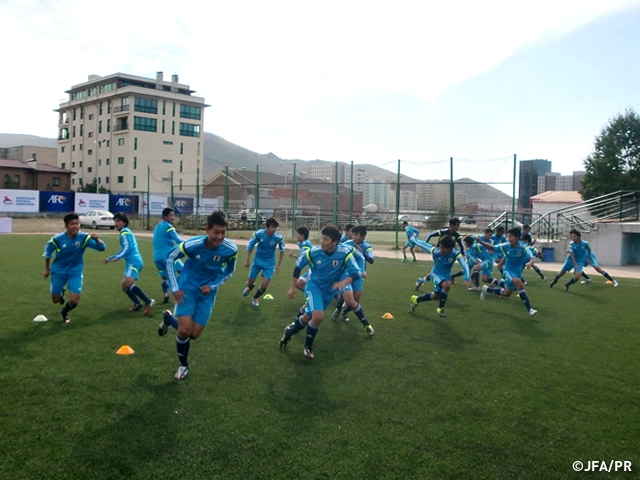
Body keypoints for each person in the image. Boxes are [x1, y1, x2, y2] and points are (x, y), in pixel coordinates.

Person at [159, 211, 238, 380]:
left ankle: (168, 319)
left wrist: (212, 285)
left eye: (223, 232)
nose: (220, 236)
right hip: (187, 288)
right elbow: (170, 259)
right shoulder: (192, 245)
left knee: (194, 334)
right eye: (216, 232)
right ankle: (183, 365)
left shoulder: (230, 249)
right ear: (207, 230)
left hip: (208, 293)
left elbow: (229, 271)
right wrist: (174, 286)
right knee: (183, 331)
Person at [279, 225, 361, 360]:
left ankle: (288, 332)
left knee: (306, 318)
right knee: (318, 316)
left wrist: (344, 282)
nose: (322, 241)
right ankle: (308, 347)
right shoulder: (313, 252)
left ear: (334, 242)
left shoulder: (344, 253)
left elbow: (356, 273)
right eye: (322, 238)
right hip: (314, 288)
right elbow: (298, 267)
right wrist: (293, 288)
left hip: (329, 292)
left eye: (326, 239)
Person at [42, 213, 107, 324]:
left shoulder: (83, 238)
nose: (75, 226)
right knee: (55, 300)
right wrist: (47, 269)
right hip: (58, 271)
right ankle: (61, 293)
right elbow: (48, 253)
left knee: (74, 300)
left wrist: (97, 240)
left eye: (77, 223)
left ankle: (64, 312)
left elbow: (102, 248)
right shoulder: (57, 239)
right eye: (72, 224)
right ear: (66, 226)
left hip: (75, 272)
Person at [480, 227, 538, 317]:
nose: (509, 239)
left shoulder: (523, 246)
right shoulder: (506, 246)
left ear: (517, 237)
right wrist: (481, 243)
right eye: (508, 237)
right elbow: (493, 248)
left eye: (511, 237)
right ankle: (530, 309)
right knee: (519, 283)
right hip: (508, 270)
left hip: (518, 272)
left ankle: (487, 289)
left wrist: (530, 263)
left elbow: (531, 257)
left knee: (507, 293)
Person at [104, 212, 155, 315]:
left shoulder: (125, 233)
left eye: (118, 221)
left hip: (133, 261)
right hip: (132, 261)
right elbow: (124, 248)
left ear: (124, 222)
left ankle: (148, 301)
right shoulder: (125, 232)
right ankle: (137, 303)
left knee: (127, 283)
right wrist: (111, 257)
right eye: (115, 221)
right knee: (124, 285)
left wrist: (117, 258)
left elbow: (128, 248)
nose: (116, 223)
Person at [330, 224, 375, 335]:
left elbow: (368, 259)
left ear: (363, 236)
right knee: (350, 300)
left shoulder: (365, 246)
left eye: (356, 235)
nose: (353, 237)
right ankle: (366, 325)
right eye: (353, 234)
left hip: (358, 275)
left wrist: (362, 269)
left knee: (355, 300)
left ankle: (344, 311)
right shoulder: (347, 244)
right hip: (345, 275)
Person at [410, 235, 469, 317]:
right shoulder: (436, 251)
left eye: (443, 248)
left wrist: (466, 277)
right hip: (435, 273)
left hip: (446, 276)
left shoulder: (455, 253)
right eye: (441, 247)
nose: (441, 250)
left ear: (449, 249)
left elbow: (465, 265)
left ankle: (416, 299)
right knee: (447, 286)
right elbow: (423, 244)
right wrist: (414, 240)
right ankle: (440, 308)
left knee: (436, 296)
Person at [243, 217, 285, 307]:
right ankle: (250, 286)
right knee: (249, 282)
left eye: (275, 227)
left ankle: (255, 298)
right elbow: (250, 245)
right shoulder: (259, 234)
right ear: (267, 227)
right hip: (257, 261)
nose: (274, 229)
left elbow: (282, 251)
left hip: (269, 263)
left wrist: (278, 265)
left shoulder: (278, 237)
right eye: (272, 227)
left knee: (265, 285)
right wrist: (247, 259)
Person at [153, 207, 184, 304]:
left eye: (173, 215)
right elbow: (179, 240)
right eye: (171, 215)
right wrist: (190, 245)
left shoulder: (157, 226)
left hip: (157, 257)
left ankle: (165, 294)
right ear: (165, 216)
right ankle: (180, 296)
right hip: (167, 256)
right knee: (184, 272)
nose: (173, 217)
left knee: (165, 278)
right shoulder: (169, 227)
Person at [425, 217, 466, 282]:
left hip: (449, 254)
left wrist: (463, 254)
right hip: (439, 254)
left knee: (440, 269)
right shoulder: (443, 232)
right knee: (441, 270)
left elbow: (462, 246)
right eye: (457, 225)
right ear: (452, 225)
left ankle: (422, 281)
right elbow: (430, 234)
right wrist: (425, 244)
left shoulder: (457, 235)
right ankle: (443, 284)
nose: (458, 227)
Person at [289, 226, 313, 292]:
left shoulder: (306, 246)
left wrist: (294, 256)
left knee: (300, 284)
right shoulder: (301, 243)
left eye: (297, 234)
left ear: (302, 235)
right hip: (311, 269)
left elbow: (303, 260)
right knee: (298, 285)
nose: (296, 235)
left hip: (314, 270)